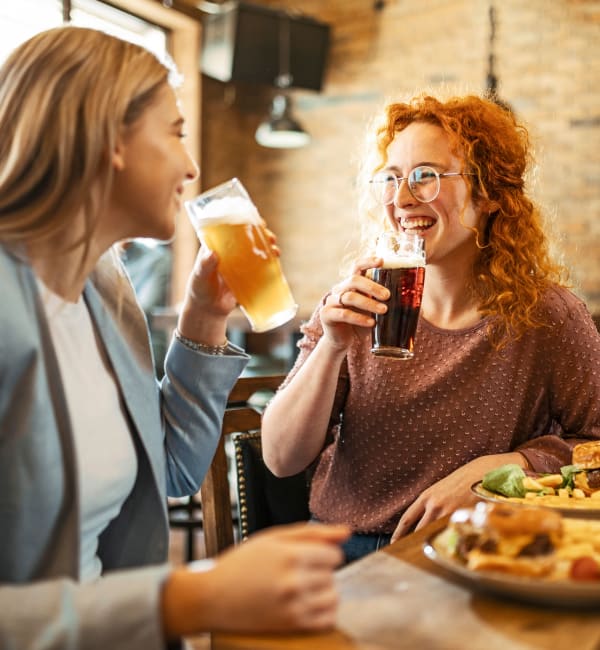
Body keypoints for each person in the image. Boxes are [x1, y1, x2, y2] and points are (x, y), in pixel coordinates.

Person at [0, 26, 349, 649]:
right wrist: (191, 597)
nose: (191, 166)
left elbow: (175, 470)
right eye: (176, 132)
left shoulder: (104, 286)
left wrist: (203, 315)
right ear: (109, 137)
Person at [261, 92, 600, 564]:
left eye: (425, 176)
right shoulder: (356, 301)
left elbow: (596, 447)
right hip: (341, 552)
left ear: (490, 194)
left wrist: (501, 469)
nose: (400, 199)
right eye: (391, 178)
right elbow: (280, 457)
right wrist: (331, 347)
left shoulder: (548, 316)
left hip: (479, 552)